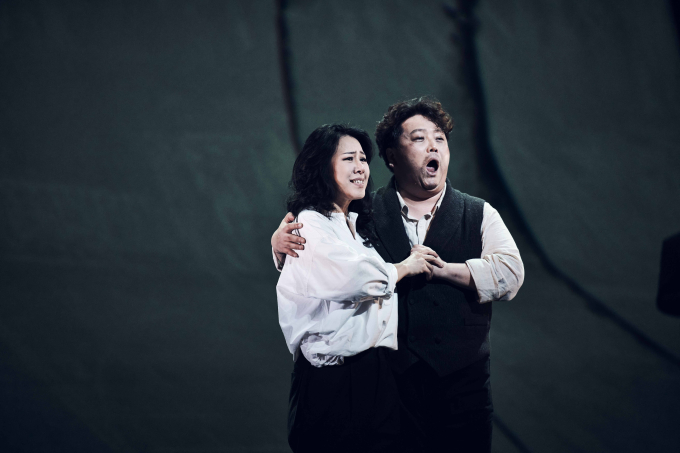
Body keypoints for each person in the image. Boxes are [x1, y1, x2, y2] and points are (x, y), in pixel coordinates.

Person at [272, 97, 525, 452]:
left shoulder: (478, 212)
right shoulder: (364, 212)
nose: (433, 146)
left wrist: (445, 270)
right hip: (390, 389)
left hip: (463, 387)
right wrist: (279, 245)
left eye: (440, 139)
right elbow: (329, 255)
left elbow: (511, 273)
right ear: (392, 157)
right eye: (419, 138)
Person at [276, 123, 441, 453]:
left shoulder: (355, 225)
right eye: (348, 158)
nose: (360, 167)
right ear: (323, 166)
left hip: (375, 374)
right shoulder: (310, 222)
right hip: (333, 380)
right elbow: (352, 278)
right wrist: (404, 267)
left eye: (363, 159)